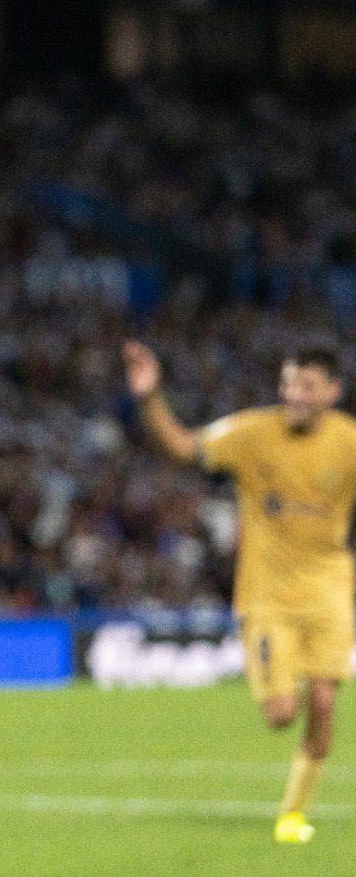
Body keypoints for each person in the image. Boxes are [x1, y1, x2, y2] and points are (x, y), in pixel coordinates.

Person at [124, 341, 356, 845]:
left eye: (307, 386)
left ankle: (293, 816)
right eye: (289, 382)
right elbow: (184, 447)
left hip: (331, 589)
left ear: (333, 392)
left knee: (322, 702)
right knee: (281, 714)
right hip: (268, 596)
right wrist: (150, 397)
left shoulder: (349, 441)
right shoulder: (253, 433)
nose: (295, 394)